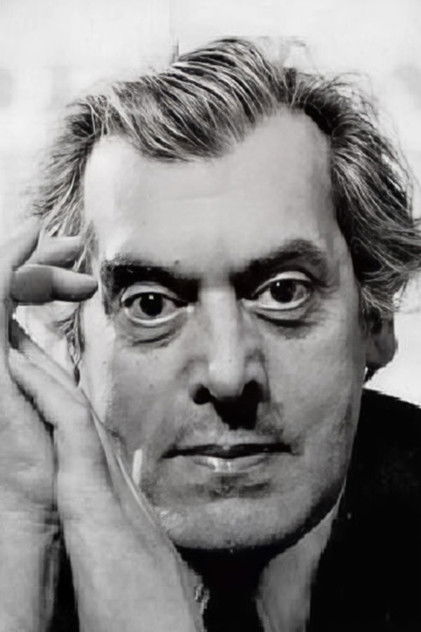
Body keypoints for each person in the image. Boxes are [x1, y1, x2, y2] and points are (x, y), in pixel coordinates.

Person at [1, 37, 421, 632]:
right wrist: (22, 552)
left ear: (375, 321)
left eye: (284, 293)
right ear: (70, 343)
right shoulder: (19, 534)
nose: (227, 374)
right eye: (151, 305)